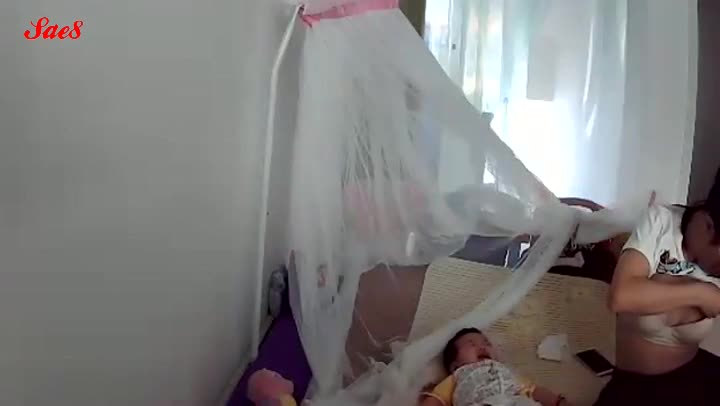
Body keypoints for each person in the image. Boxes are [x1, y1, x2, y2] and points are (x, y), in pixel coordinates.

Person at [596, 191, 720, 405]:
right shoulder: (661, 222)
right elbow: (621, 297)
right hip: (635, 386)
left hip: (694, 375)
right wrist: (701, 293)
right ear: (708, 226)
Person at [420, 328, 571, 406]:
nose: (482, 347)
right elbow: (436, 400)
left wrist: (558, 402)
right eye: (471, 344)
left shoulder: (507, 372)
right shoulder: (458, 376)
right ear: (455, 366)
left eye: (486, 343)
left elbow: (534, 391)